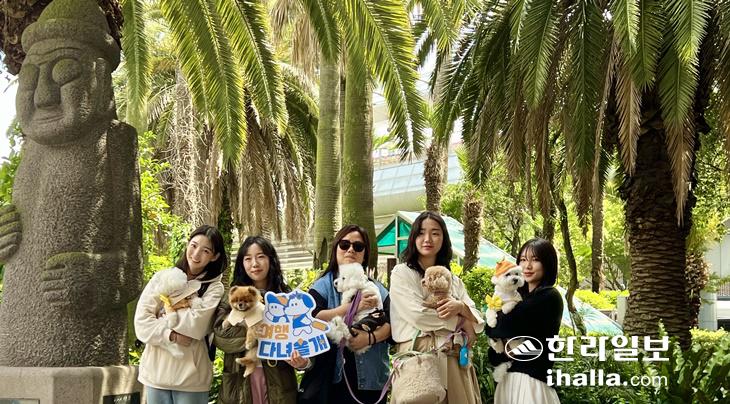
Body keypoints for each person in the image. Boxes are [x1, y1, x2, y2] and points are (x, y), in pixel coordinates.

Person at [389, 211, 485, 404]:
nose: (427, 239)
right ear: (413, 237)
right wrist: (461, 321)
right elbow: (418, 315)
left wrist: (461, 307)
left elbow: (477, 319)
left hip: (454, 357)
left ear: (444, 238)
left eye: (435, 233)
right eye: (421, 233)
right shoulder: (402, 273)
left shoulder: (454, 280)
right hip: (419, 356)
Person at [134, 225, 228, 404]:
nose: (196, 254)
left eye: (206, 250)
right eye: (194, 245)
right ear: (187, 244)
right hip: (156, 373)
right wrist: (171, 335)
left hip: (191, 379)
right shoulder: (163, 277)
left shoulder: (214, 287)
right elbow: (141, 323)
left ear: (214, 256)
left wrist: (163, 313)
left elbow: (196, 326)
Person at [213, 236, 309, 404]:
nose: (254, 263)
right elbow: (221, 336)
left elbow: (304, 337)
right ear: (242, 263)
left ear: (271, 260)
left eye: (260, 256)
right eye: (248, 258)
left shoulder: (287, 297)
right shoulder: (232, 296)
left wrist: (303, 362)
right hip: (239, 382)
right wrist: (262, 333)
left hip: (279, 383)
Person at [301, 225, 391, 404]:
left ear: (365, 254)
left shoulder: (377, 288)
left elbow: (393, 325)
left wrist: (369, 338)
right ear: (335, 249)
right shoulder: (321, 286)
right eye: (344, 244)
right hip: (332, 381)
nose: (350, 250)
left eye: (358, 246)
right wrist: (352, 308)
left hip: (372, 380)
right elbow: (310, 319)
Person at [486, 238, 563, 404]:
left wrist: (498, 327)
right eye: (523, 259)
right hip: (508, 382)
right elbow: (491, 331)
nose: (527, 266)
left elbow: (502, 327)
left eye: (535, 260)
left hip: (532, 384)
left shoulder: (549, 296)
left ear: (547, 263)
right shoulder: (518, 297)